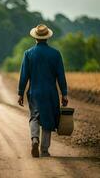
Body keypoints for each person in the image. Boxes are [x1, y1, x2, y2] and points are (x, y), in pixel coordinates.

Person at [17, 24, 68, 157]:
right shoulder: (56, 54)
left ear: (35, 38)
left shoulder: (28, 53)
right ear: (47, 38)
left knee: (34, 116)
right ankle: (44, 150)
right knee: (48, 118)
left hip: (35, 92)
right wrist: (64, 93)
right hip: (50, 92)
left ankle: (34, 139)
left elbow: (24, 75)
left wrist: (20, 93)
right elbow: (61, 76)